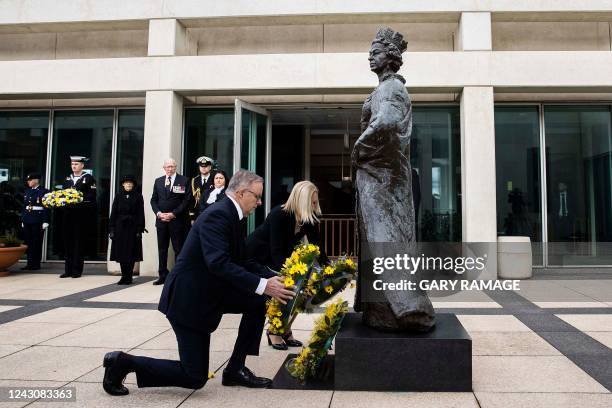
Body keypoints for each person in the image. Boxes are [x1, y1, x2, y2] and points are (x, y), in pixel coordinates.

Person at [101, 170, 295, 396]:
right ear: (242, 193)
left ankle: (235, 369)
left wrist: (272, 279)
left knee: (257, 300)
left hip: (209, 292)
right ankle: (122, 362)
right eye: (257, 197)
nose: (260, 202)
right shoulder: (219, 215)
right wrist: (263, 285)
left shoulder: (232, 214)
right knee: (194, 376)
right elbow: (219, 263)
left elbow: (243, 260)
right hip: (189, 300)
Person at [246, 180, 328, 350]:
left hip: (277, 257)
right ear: (302, 201)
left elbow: (317, 245)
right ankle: (275, 331)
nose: (315, 206)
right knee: (289, 288)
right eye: (312, 202)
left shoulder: (307, 219)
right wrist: (291, 276)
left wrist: (329, 268)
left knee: (305, 289)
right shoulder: (279, 214)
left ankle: (285, 329)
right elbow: (275, 251)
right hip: (256, 258)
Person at [150, 158, 191, 285]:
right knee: (162, 249)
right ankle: (162, 275)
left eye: (172, 166)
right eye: (168, 166)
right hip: (161, 220)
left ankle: (178, 275)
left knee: (178, 248)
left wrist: (173, 214)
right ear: (164, 168)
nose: (170, 168)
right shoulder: (158, 181)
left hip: (177, 221)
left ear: (176, 167)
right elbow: (153, 200)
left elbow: (187, 200)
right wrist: (159, 213)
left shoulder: (184, 180)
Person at [60, 156, 97, 279]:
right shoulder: (67, 178)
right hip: (68, 214)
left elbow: (91, 197)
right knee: (67, 242)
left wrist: (79, 199)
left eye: (76, 164)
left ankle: (76, 270)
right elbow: (62, 195)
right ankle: (68, 270)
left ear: (82, 165)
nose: (74, 166)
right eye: (72, 164)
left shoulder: (88, 178)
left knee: (78, 242)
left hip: (81, 215)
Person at [109, 175, 145, 285]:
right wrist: (111, 229)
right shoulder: (118, 196)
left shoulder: (138, 196)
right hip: (120, 227)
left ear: (133, 185)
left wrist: (140, 229)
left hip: (133, 227)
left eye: (130, 183)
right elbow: (113, 213)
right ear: (123, 185)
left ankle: (129, 276)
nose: (128, 185)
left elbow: (140, 213)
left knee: (131, 252)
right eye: (126, 183)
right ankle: (123, 276)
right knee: (121, 252)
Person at [20, 172, 49, 270]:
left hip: (38, 219)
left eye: (30, 180)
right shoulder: (27, 191)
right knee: (28, 242)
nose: (28, 182)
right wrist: (23, 219)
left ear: (36, 180)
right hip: (28, 218)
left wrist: (45, 220)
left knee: (37, 242)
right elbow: (24, 206)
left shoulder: (44, 191)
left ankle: (36, 264)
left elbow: (46, 207)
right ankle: (29, 263)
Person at [188, 156, 215, 224]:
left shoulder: (215, 179)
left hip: (211, 212)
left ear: (210, 167)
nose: (203, 168)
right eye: (201, 166)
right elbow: (191, 199)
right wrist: (192, 216)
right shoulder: (194, 180)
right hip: (197, 213)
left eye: (205, 166)